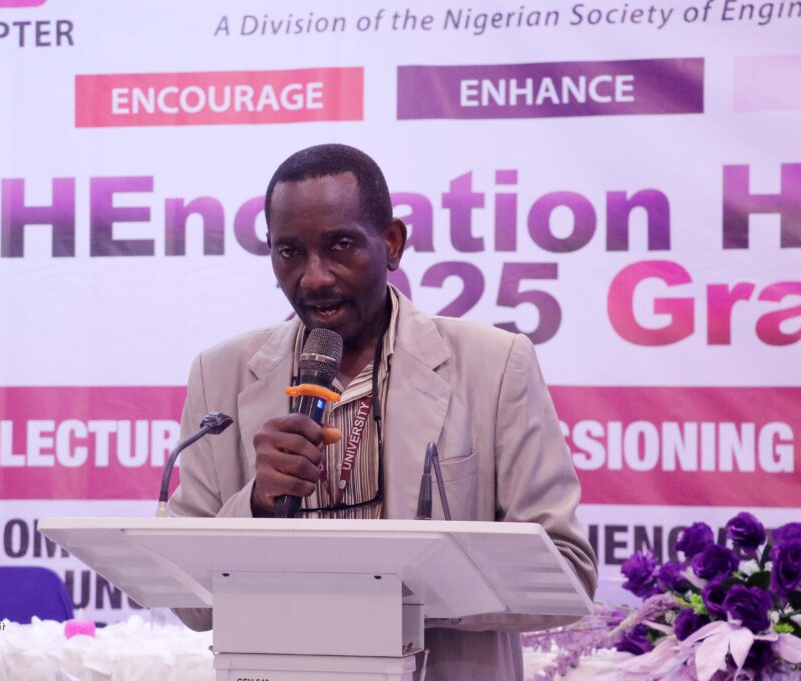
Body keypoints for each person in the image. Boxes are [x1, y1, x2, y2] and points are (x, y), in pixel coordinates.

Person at [168, 143, 597, 681]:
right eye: (289, 252)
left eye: (340, 245)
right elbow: (188, 601)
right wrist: (254, 506)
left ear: (392, 243)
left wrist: (389, 594)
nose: (314, 277)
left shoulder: (494, 365)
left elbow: (567, 573)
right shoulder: (221, 373)